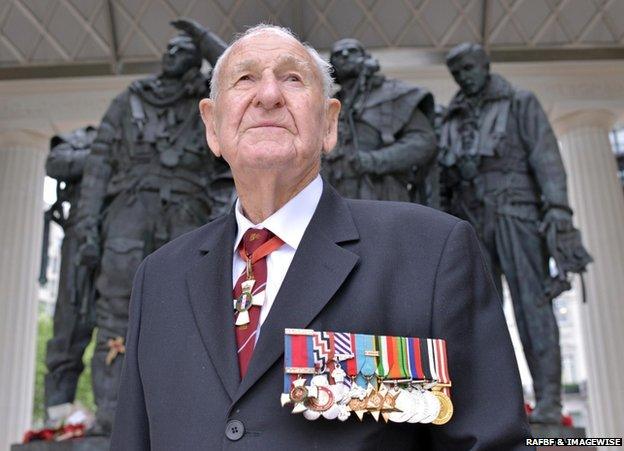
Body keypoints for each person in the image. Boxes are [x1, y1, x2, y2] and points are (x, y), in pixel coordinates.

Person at [111, 25, 531, 449]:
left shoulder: (430, 252)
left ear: (329, 123)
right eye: (245, 79)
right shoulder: (159, 277)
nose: (268, 95)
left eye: (293, 78)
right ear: (212, 127)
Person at [75, 19, 232, 435]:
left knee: (191, 314)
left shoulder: (209, 102)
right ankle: (109, 419)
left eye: (184, 48)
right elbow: (97, 168)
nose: (171, 53)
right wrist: (87, 229)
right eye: (169, 47)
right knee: (113, 312)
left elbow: (237, 68)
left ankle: (182, 418)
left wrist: (205, 37)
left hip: (187, 216)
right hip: (130, 213)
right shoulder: (129, 101)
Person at [439, 43, 591, 424]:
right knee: (477, 314)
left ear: (486, 65)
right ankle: (491, 405)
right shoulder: (451, 116)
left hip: (516, 216)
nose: (465, 76)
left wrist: (558, 210)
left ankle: (550, 404)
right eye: (457, 72)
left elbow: (547, 159)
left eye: (470, 67)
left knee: (532, 309)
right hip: (470, 220)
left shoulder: (520, 102)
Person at [322, 39, 437, 205]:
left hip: (382, 193)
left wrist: (374, 160)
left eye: (352, 51)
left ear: (366, 57)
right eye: (338, 54)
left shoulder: (394, 93)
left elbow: (424, 142)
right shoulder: (327, 106)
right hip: (337, 195)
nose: (345, 55)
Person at [43, 127, 97, 418]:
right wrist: (104, 155)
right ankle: (57, 419)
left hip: (128, 250)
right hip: (80, 243)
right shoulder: (91, 137)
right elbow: (56, 161)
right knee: (67, 329)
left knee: (122, 338)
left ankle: (112, 420)